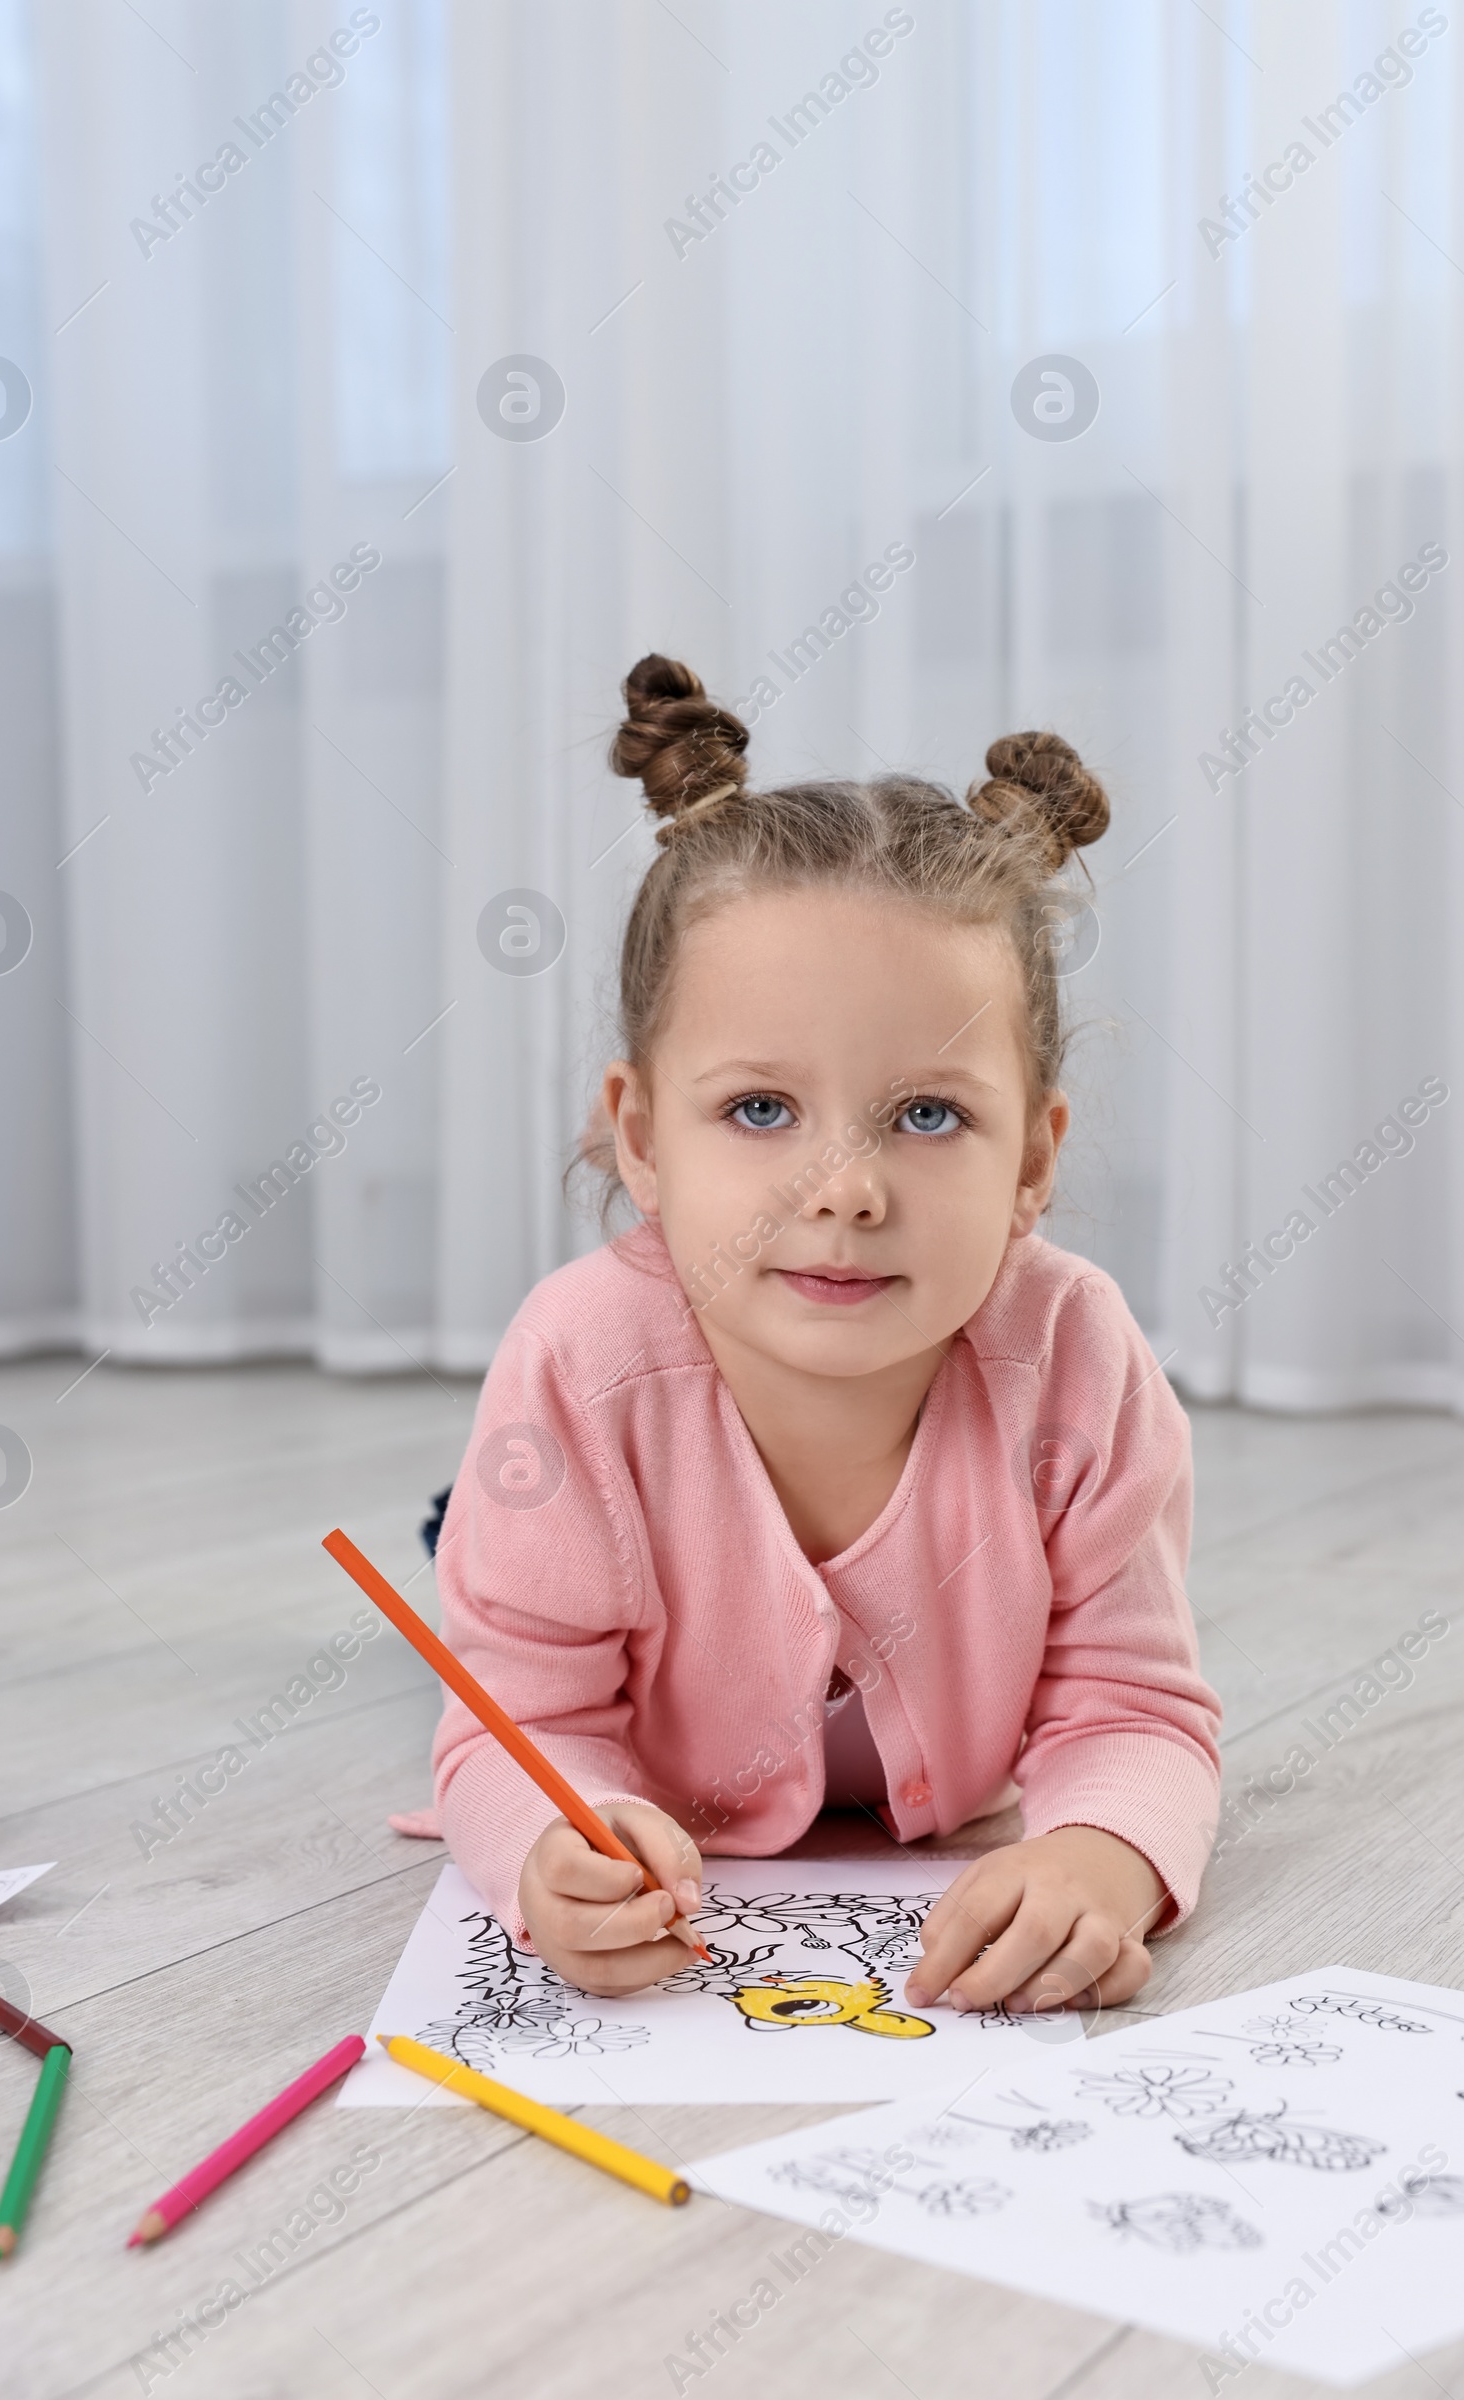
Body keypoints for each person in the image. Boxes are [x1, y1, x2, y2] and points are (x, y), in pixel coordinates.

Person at [405, 653, 1220, 2019]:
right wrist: (554, 1839)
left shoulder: (1075, 1355)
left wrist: (1101, 1852)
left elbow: (1135, 1707)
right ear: (644, 1136)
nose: (845, 1189)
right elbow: (515, 1723)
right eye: (763, 1111)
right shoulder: (577, 1362)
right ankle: (457, 1524)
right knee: (484, 1565)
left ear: (1035, 1161)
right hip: (579, 1504)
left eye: (928, 1115)